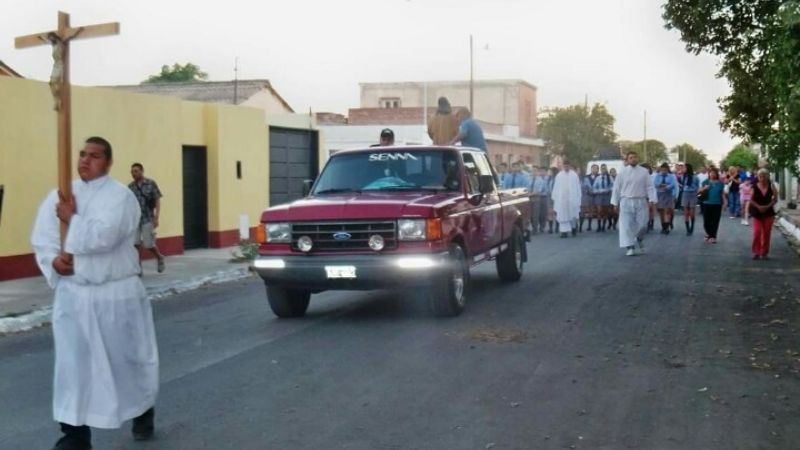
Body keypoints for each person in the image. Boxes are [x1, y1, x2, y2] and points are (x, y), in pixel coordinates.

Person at [31, 137, 159, 450]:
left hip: (114, 296)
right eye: (82, 154)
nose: (86, 161)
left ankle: (142, 409)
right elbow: (43, 238)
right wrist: (53, 261)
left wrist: (71, 219)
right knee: (73, 367)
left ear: (109, 162)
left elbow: (104, 236)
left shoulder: (121, 197)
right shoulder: (61, 195)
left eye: (95, 156)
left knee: (126, 363)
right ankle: (74, 435)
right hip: (74, 296)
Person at [610, 151, 657, 256]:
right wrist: (615, 203)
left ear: (637, 159)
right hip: (626, 201)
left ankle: (639, 238)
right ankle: (629, 247)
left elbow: (650, 186)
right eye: (631, 158)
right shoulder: (622, 173)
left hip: (640, 201)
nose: (633, 159)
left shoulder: (644, 172)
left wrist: (652, 200)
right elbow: (616, 188)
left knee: (643, 225)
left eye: (635, 157)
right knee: (626, 225)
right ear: (627, 160)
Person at [129, 163, 166, 273]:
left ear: (142, 171)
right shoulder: (130, 187)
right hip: (135, 219)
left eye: (136, 171)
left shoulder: (150, 184)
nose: (133, 174)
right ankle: (138, 268)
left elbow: (157, 200)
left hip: (148, 218)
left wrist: (156, 217)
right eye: (132, 172)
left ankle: (159, 257)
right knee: (135, 244)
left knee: (148, 244)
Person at [750, 169, 778, 260]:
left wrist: (767, 206)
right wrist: (758, 207)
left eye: (764, 176)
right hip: (757, 212)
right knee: (757, 232)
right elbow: (750, 199)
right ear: (758, 177)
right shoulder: (754, 187)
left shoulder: (772, 186)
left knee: (766, 233)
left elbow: (775, 199)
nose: (762, 178)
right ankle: (756, 252)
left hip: (768, 213)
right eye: (760, 176)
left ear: (767, 177)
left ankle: (764, 253)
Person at [551, 160, 582, 238]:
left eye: (567, 166)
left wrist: (578, 197)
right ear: (563, 166)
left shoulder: (574, 175)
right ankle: (564, 232)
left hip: (572, 198)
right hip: (562, 199)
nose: (566, 167)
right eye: (565, 166)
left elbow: (577, 187)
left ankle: (573, 228)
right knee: (563, 215)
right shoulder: (559, 175)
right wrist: (555, 197)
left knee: (573, 214)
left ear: (570, 166)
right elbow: (556, 187)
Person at [698, 167, 727, 243]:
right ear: (709, 174)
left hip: (717, 204)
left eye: (714, 173)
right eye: (711, 173)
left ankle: (713, 236)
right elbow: (699, 191)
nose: (712, 174)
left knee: (715, 221)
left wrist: (725, 203)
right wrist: (704, 188)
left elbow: (722, 194)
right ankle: (709, 233)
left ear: (716, 174)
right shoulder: (705, 182)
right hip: (706, 203)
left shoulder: (720, 183)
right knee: (706, 221)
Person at [654, 163, 678, 234]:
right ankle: (663, 227)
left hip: (668, 194)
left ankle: (667, 227)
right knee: (661, 212)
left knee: (667, 211)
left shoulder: (671, 176)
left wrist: (667, 187)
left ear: (667, 170)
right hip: (660, 195)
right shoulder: (657, 175)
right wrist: (660, 185)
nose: (664, 171)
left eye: (665, 170)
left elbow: (673, 184)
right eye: (662, 170)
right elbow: (655, 183)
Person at [592, 164, 614, 232]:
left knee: (605, 212)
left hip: (606, 196)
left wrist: (608, 190)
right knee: (599, 211)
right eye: (602, 169)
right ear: (600, 170)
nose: (603, 170)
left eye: (604, 168)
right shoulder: (598, 178)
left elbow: (613, 186)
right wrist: (598, 191)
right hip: (599, 196)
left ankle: (603, 226)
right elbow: (594, 187)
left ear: (606, 169)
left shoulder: (609, 178)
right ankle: (599, 226)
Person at [680, 163, 700, 236]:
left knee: (692, 212)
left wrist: (696, 192)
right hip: (685, 193)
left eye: (684, 168)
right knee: (686, 212)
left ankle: (692, 226)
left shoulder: (695, 177)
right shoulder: (683, 177)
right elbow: (683, 185)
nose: (683, 169)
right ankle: (687, 229)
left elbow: (698, 186)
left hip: (693, 194)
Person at [530, 167, 550, 234]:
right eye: (532, 171)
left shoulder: (540, 180)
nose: (534, 172)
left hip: (539, 197)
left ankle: (539, 228)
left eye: (535, 171)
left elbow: (539, 191)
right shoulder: (530, 179)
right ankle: (534, 227)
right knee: (532, 214)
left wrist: (530, 194)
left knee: (540, 214)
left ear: (538, 172)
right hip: (530, 198)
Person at [581, 165, 599, 232]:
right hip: (588, 195)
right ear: (591, 169)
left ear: (598, 170)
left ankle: (593, 225)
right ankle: (584, 226)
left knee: (595, 211)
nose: (594, 170)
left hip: (597, 195)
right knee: (587, 210)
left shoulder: (599, 177)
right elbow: (584, 186)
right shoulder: (587, 177)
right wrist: (587, 191)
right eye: (593, 169)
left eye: (596, 169)